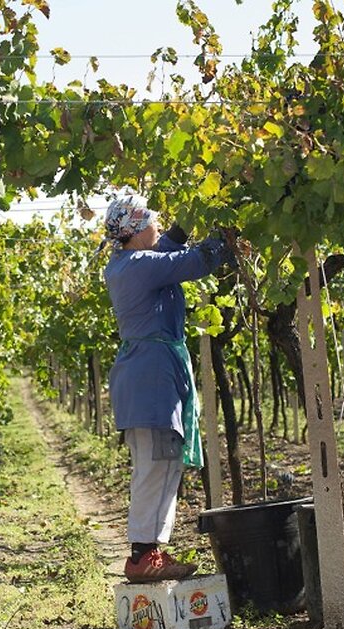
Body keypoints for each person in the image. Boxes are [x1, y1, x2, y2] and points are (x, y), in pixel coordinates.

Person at [101, 195, 236, 582]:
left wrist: (190, 217)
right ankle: (142, 555)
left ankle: (151, 551)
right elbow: (192, 262)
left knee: (164, 463)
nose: (159, 226)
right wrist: (228, 235)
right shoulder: (139, 265)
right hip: (151, 379)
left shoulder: (131, 261)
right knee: (154, 465)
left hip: (151, 376)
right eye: (153, 221)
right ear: (137, 229)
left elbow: (169, 248)